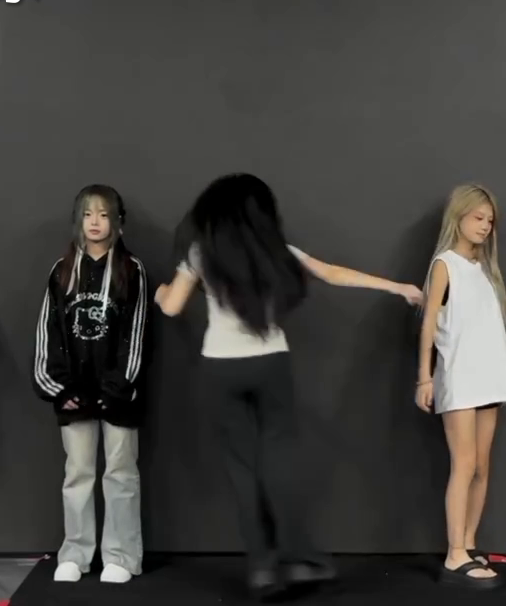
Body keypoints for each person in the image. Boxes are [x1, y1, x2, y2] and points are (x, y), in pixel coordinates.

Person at [153, 173, 423, 600]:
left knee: (242, 469)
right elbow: (333, 273)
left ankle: (262, 567)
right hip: (270, 364)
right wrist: (396, 287)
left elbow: (170, 307)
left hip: (220, 368)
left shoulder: (201, 253)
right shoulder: (275, 250)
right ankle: (300, 558)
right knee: (278, 463)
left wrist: (160, 291)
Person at [32, 185, 150, 585]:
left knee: (120, 473)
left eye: (103, 214)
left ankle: (121, 555)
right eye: (87, 215)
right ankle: (76, 553)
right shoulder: (62, 271)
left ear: (118, 221)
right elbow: (48, 332)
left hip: (119, 395)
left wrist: (117, 387)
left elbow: (137, 334)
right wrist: (61, 390)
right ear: (78, 221)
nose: (95, 222)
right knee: (78, 474)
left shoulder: (131, 270)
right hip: (75, 395)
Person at [416, 183, 506, 589]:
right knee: (463, 464)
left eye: (490, 220)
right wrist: (425, 377)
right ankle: (454, 553)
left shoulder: (484, 270)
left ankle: (469, 543)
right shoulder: (445, 264)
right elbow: (428, 324)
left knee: (481, 466)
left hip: (491, 377)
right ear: (458, 217)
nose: (485, 226)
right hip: (459, 376)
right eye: (478, 217)